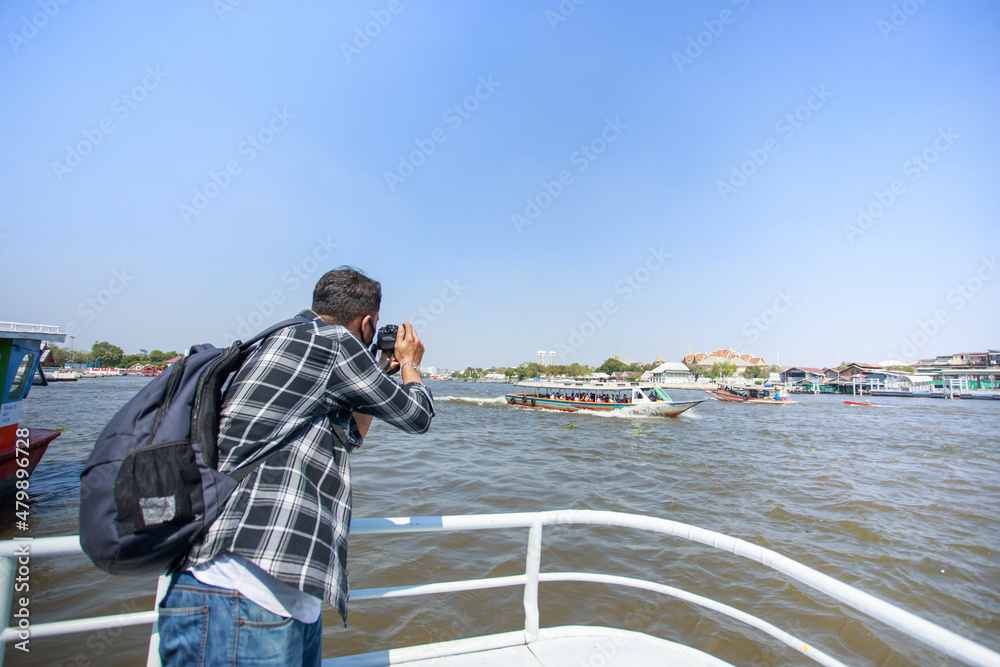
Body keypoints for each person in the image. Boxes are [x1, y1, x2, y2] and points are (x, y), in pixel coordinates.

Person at [157, 267, 434, 666]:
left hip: (250, 588)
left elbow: (349, 437)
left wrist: (380, 371)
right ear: (368, 321)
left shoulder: (279, 340)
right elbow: (417, 415)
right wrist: (410, 365)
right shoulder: (335, 344)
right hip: (245, 589)